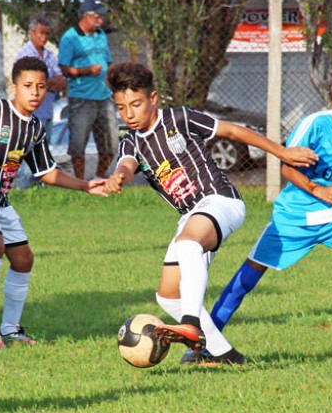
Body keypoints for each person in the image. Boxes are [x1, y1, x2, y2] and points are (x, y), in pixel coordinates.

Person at [104, 62, 318, 365]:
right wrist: (119, 177)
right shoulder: (131, 141)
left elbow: (231, 130)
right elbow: (125, 164)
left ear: (153, 99)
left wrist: (282, 152)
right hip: (191, 215)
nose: (129, 114)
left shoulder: (179, 118)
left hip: (220, 200)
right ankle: (223, 355)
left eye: (136, 105)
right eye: (121, 107)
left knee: (188, 243)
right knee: (167, 296)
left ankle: (191, 325)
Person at [207, 62, 332, 368]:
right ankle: (206, 342)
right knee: (248, 278)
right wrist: (318, 190)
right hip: (295, 216)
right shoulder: (315, 124)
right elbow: (287, 167)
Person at [0, 56, 108, 349]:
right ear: (14, 86)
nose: (35, 92)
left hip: (0, 198)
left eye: (41, 87)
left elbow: (46, 172)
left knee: (23, 259)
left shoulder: (35, 127)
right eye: (27, 86)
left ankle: (10, 330)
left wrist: (85, 185)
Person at [58, 0, 116, 179]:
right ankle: (80, 182)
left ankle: (99, 178)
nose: (101, 20)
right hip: (82, 98)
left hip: (104, 96)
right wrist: (87, 70)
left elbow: (108, 61)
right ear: (86, 16)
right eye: (98, 16)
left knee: (111, 145)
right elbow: (64, 69)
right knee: (78, 146)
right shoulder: (70, 38)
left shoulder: (101, 35)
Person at [12, 15, 68, 128]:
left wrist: (43, 84)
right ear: (32, 32)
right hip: (31, 113)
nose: (44, 37)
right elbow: (28, 84)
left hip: (47, 110)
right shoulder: (25, 54)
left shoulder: (49, 55)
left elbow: (61, 81)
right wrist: (48, 84)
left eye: (47, 33)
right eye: (41, 33)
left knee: (45, 145)